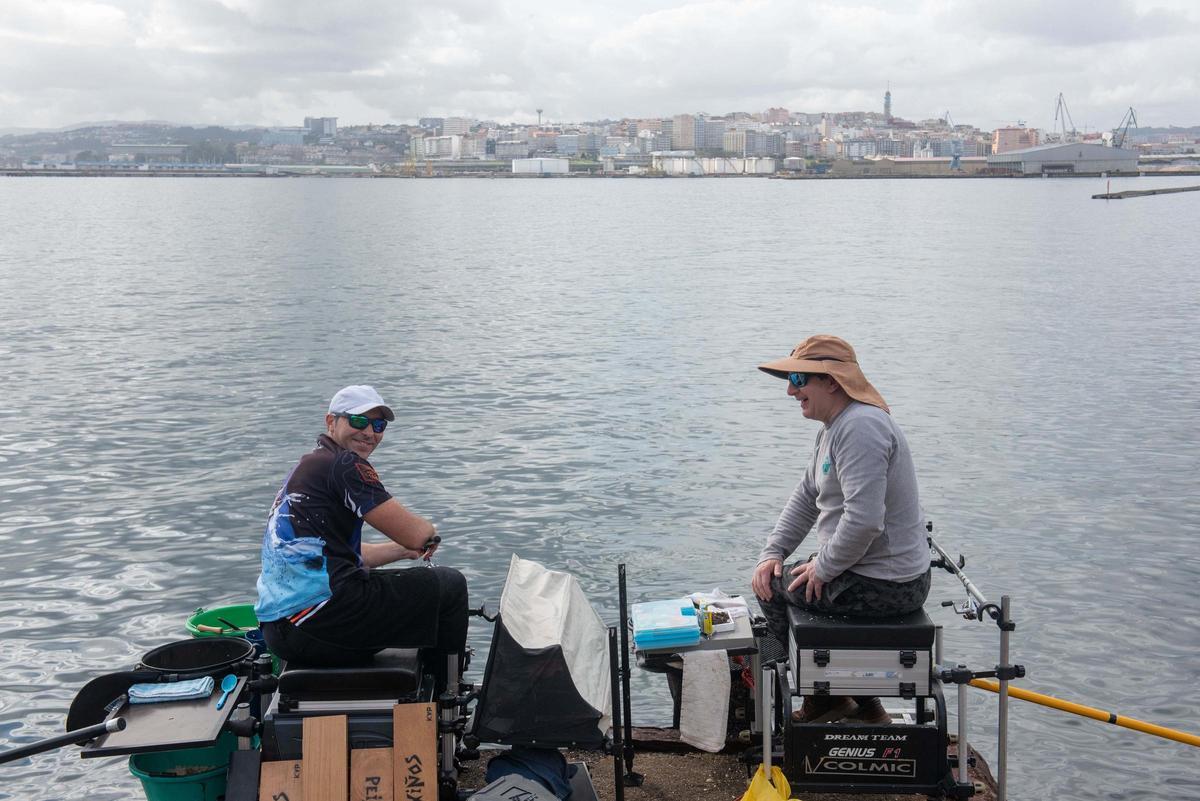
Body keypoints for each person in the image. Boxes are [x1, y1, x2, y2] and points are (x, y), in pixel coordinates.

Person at [750, 336, 930, 725]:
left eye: (799, 378)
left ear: (832, 381)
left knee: (774, 589)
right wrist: (772, 552)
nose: (790, 389)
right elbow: (805, 497)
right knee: (775, 571)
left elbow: (865, 520)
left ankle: (813, 697)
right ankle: (861, 705)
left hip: (887, 584)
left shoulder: (861, 427)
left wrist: (823, 568)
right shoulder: (834, 427)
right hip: (868, 571)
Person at [255, 385, 468, 690]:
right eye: (358, 421)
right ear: (331, 422)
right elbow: (417, 532)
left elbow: (345, 555)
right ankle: (446, 700)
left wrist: (402, 551)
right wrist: (426, 534)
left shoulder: (308, 467)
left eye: (378, 425)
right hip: (320, 623)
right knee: (450, 587)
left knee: (395, 584)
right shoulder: (345, 464)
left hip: (281, 631)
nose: (369, 432)